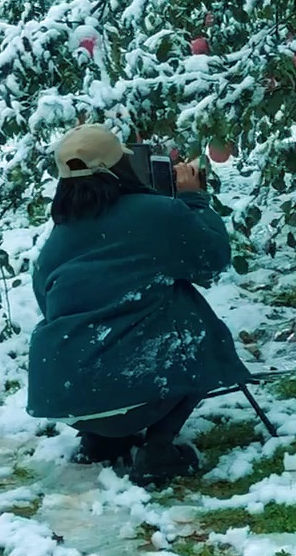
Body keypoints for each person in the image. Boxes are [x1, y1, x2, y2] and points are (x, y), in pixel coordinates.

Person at [26, 124, 253, 487]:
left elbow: (47, 302)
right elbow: (211, 260)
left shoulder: (61, 234)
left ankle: (100, 440)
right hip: (131, 386)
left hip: (62, 392)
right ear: (122, 167)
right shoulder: (157, 213)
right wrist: (194, 199)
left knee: (109, 330)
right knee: (192, 321)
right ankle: (158, 449)